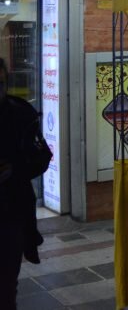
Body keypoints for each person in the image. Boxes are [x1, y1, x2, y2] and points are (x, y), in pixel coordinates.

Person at [1, 57, 50, 305]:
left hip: (11, 211)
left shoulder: (21, 114)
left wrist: (16, 169)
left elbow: (43, 155)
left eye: (0, 84)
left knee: (6, 285)